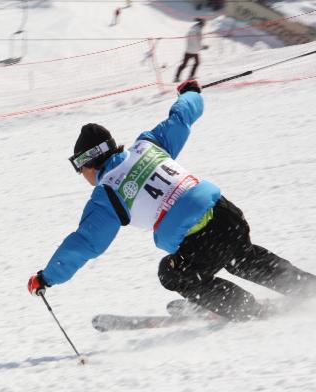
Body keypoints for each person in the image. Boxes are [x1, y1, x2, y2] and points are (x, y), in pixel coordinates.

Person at [27, 80, 316, 320]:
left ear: (89, 164)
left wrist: (47, 277)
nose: (83, 176)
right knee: (242, 257)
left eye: (80, 169)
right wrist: (190, 93)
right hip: (227, 215)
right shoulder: (147, 145)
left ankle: (244, 309)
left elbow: (86, 242)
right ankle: (307, 288)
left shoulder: (107, 193)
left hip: (201, 242)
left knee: (171, 273)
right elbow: (181, 117)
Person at [174, 18, 207, 82]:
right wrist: (203, 47)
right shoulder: (199, 31)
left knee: (184, 65)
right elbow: (198, 42)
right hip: (194, 51)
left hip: (188, 50)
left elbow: (189, 40)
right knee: (197, 63)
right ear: (202, 24)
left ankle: (177, 77)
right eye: (204, 24)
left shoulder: (191, 29)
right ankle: (191, 76)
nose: (204, 26)